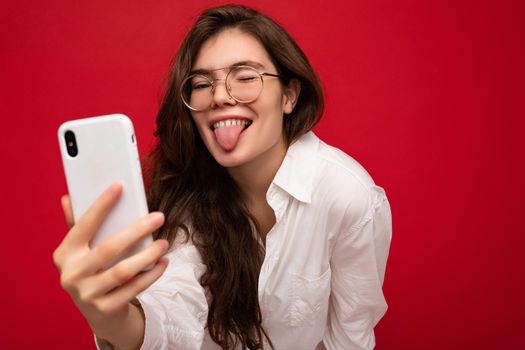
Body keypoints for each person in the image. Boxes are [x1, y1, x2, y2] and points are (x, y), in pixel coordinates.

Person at [53, 4, 392, 350]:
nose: (218, 96)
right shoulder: (185, 195)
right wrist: (112, 318)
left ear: (289, 95)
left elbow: (350, 337)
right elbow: (175, 314)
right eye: (202, 83)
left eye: (245, 77)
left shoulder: (347, 195)